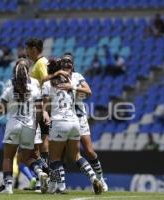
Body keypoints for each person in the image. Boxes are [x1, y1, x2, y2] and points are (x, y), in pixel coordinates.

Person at [42, 58, 103, 195]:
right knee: (76, 156)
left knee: (54, 158)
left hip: (59, 121)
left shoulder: (47, 84)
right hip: (75, 122)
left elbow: (46, 104)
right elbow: (86, 92)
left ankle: (61, 187)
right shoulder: (70, 81)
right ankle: (94, 178)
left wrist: (45, 113)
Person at [0, 58, 48, 194]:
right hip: (29, 126)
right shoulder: (34, 88)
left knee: (8, 157)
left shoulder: (10, 88)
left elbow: (1, 109)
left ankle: (8, 187)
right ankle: (40, 173)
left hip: (13, 124)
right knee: (27, 157)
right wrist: (35, 125)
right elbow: (40, 110)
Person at [58, 53, 108, 191]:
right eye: (64, 61)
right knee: (63, 153)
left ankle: (100, 178)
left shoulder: (77, 77)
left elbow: (88, 91)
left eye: (68, 62)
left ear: (72, 64)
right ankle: (60, 184)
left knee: (89, 150)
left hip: (79, 117)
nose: (66, 64)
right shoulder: (56, 78)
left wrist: (72, 87)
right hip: (63, 118)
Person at [25, 38, 50, 171]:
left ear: (34, 49)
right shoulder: (38, 63)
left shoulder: (40, 63)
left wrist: (45, 109)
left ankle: (47, 173)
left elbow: (46, 80)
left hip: (41, 105)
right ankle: (45, 175)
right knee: (40, 143)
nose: (26, 52)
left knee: (42, 141)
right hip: (40, 105)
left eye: (27, 49)